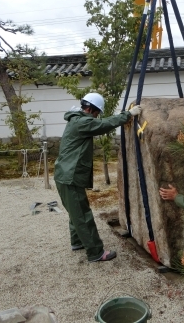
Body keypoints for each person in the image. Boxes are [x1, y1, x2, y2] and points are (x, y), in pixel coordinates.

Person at [54, 93, 141, 262]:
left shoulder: (76, 119)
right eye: (96, 113)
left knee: (76, 212)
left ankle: (78, 241)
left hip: (65, 174)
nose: (96, 116)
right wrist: (128, 115)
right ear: (89, 109)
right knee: (82, 214)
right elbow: (103, 124)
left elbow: (99, 122)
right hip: (69, 176)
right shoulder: (82, 122)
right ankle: (95, 252)